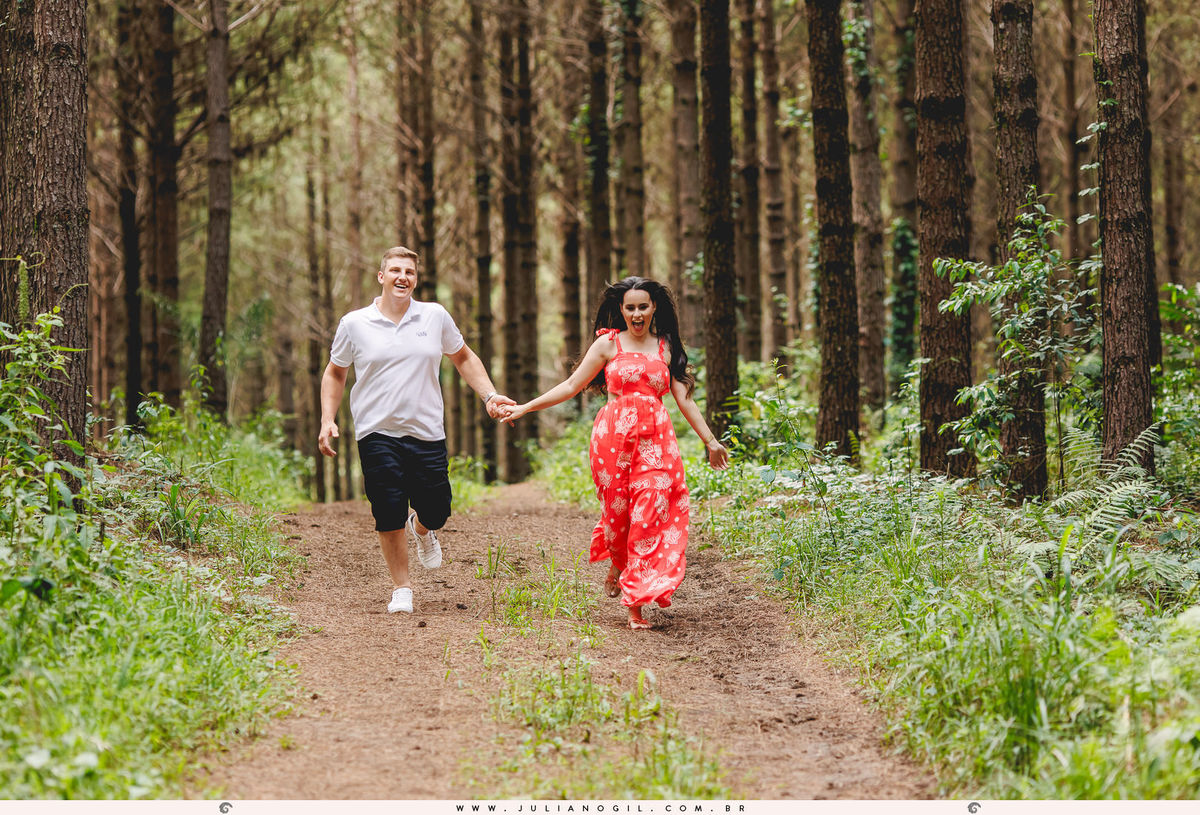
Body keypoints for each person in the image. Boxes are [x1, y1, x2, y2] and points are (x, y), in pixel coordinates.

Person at [499, 276, 729, 629]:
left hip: (656, 443)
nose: (637, 314)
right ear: (621, 310)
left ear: (655, 308)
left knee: (649, 514)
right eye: (630, 307)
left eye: (643, 307)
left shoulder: (667, 346)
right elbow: (572, 385)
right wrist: (526, 407)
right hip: (612, 443)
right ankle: (618, 561)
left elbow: (684, 399)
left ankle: (634, 604)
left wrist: (710, 441)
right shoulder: (608, 345)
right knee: (619, 516)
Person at [318, 246, 513, 615]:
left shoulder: (434, 316)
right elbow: (335, 371)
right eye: (394, 270)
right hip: (376, 431)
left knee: (437, 509)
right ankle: (402, 588)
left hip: (426, 432)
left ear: (416, 279)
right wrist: (328, 419)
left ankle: (422, 529)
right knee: (387, 507)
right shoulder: (355, 323)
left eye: (409, 271)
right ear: (381, 276)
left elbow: (463, 357)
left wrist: (488, 395)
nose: (402, 277)